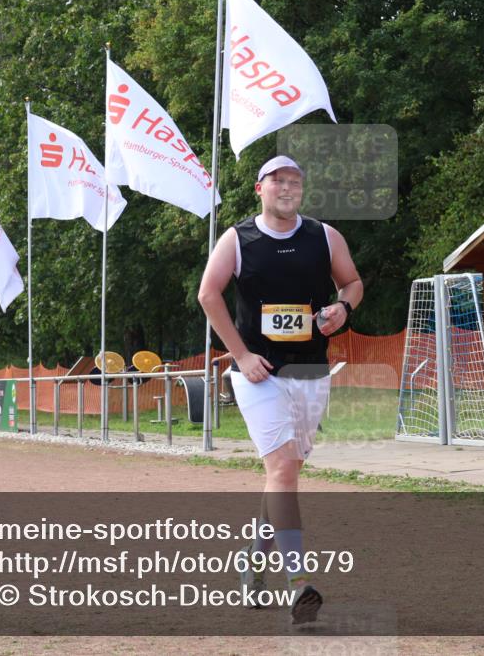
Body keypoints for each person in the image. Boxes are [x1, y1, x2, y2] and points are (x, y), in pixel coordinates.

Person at [198, 155, 363, 625]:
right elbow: (208, 294)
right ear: (259, 189)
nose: (287, 188)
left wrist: (343, 310)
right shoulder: (238, 239)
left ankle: (251, 562)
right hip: (259, 374)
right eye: (277, 181)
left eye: (294, 182)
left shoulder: (324, 236)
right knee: (284, 470)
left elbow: (351, 283)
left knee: (284, 478)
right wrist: (240, 356)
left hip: (311, 372)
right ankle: (298, 582)